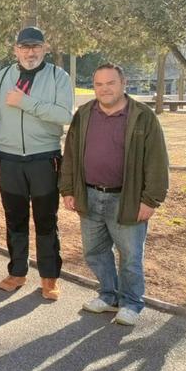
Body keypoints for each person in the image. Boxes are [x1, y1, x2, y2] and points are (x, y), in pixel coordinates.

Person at [60, 63, 169, 326]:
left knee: (130, 256)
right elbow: (72, 154)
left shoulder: (142, 117)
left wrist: (150, 200)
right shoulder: (84, 113)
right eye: (98, 84)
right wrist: (68, 190)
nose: (104, 89)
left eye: (110, 83)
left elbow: (157, 160)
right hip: (90, 195)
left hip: (127, 198)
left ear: (123, 84)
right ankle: (109, 296)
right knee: (95, 252)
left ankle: (132, 302)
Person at [0, 26, 73, 300]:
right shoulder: (2, 76)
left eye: (35, 47)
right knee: (14, 219)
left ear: (45, 48)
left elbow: (64, 114)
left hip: (43, 159)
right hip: (9, 159)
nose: (30, 52)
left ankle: (49, 278)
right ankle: (17, 272)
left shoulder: (58, 76)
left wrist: (26, 102)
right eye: (24, 47)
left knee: (46, 220)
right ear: (15, 49)